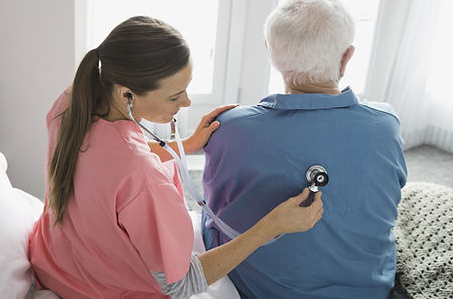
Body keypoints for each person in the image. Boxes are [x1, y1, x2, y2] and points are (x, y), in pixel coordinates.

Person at [27, 16, 323, 299]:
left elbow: (109, 167)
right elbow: (181, 284)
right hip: (101, 291)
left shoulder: (71, 104)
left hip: (53, 264)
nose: (187, 102)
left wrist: (187, 144)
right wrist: (271, 226)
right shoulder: (143, 177)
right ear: (126, 95)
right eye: (174, 96)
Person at [201, 0, 407, 298]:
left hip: (259, 289)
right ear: (347, 57)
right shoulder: (386, 123)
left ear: (270, 51)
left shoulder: (228, 127)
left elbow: (215, 206)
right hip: (368, 290)